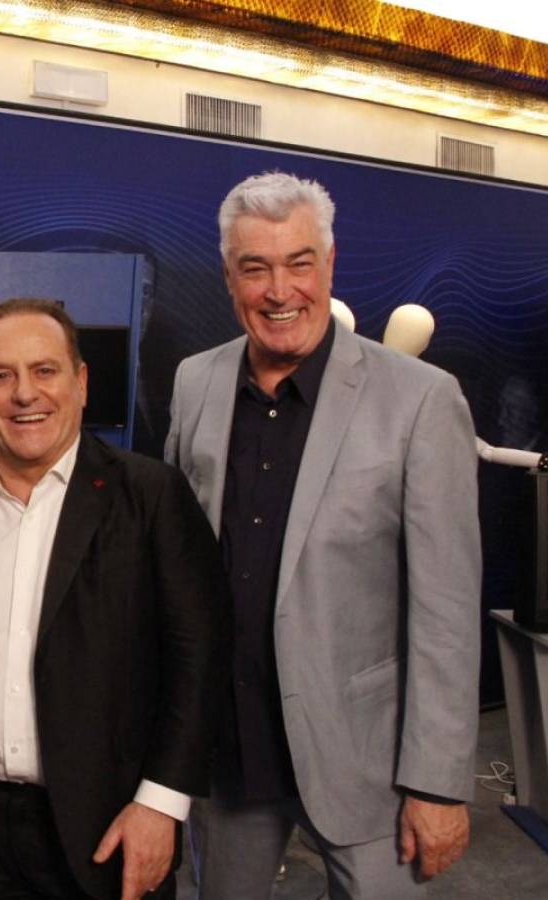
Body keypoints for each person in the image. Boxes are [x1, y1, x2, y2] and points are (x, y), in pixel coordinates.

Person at [164, 171, 480, 898]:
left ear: (330, 264)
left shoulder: (421, 400)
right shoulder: (195, 382)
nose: (280, 291)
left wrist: (436, 782)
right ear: (229, 277)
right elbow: (178, 565)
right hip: (228, 751)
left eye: (299, 263)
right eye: (256, 268)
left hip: (365, 762)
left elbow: (447, 614)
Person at [0, 298, 229, 899]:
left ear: (81, 382)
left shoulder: (151, 495)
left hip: (111, 823)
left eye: (44, 370)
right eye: (1, 376)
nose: (25, 394)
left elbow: (200, 658)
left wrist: (162, 803)